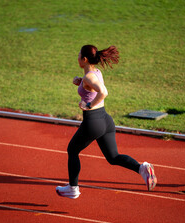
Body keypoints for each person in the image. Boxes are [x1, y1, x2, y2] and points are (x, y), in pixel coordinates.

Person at [56, 45, 157, 199]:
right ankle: (141, 168)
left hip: (93, 121)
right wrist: (80, 81)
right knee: (113, 157)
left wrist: (89, 105)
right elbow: (91, 84)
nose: (77, 57)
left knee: (72, 150)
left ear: (84, 59)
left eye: (78, 55)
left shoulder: (90, 77)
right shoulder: (95, 73)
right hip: (106, 120)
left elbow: (103, 92)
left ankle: (73, 188)